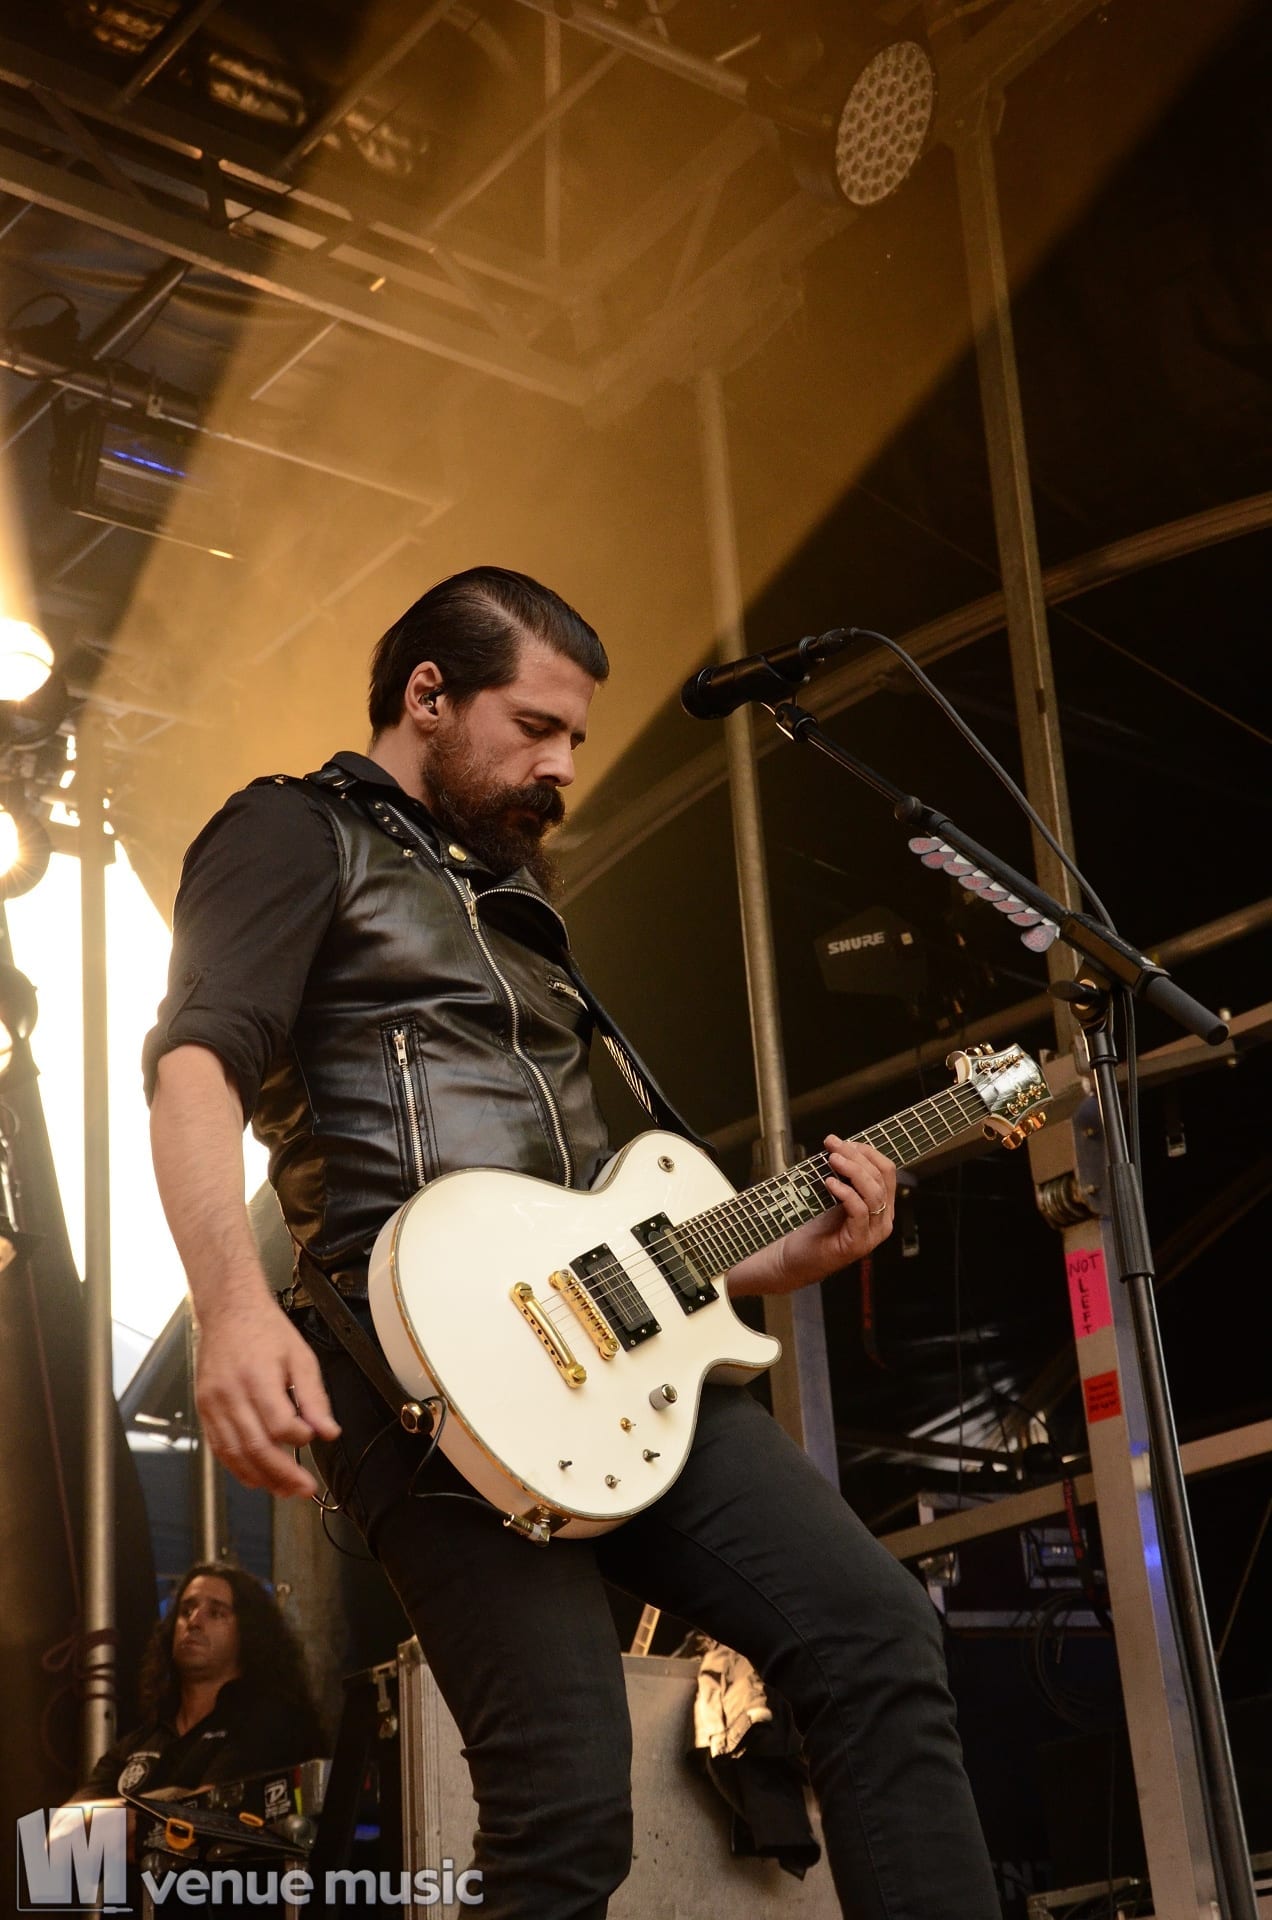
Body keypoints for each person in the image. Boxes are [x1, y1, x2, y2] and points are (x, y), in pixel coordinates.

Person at [146, 566, 1000, 1918]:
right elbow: (196, 1062)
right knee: (565, 1806)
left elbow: (598, 1210)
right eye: (536, 726)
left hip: (616, 1354)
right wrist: (232, 1308)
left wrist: (775, 1262)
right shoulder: (293, 832)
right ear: (429, 695)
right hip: (415, 1369)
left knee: (876, 1635)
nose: (562, 765)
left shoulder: (520, 910)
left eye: (577, 739)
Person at [74, 1562, 324, 1799]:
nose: (194, 1622)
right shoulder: (139, 1741)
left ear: (248, 1633)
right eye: (185, 1611)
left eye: (215, 1613)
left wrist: (110, 1818)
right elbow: (68, 1819)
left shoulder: (265, 1722)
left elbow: (207, 1811)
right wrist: (163, 1802)